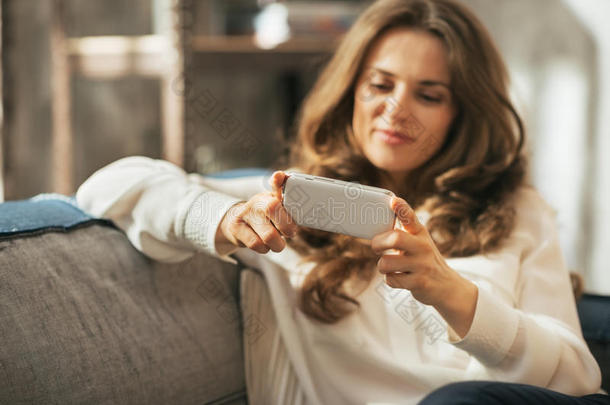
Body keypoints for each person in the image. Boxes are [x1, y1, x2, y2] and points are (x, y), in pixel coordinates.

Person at [76, 0, 607, 404]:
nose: (395, 109)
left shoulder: (512, 210)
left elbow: (577, 377)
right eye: (380, 84)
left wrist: (451, 293)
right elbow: (111, 185)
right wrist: (224, 219)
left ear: (461, 115)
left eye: (429, 94)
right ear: (352, 90)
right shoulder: (291, 209)